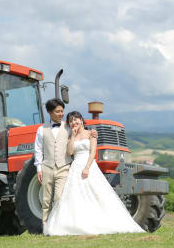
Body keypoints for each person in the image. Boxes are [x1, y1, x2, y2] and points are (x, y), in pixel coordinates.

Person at [43, 111, 145, 236]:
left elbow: (92, 153)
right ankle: (75, 224)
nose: (74, 122)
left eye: (76, 119)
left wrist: (87, 168)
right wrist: (73, 137)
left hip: (89, 165)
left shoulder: (91, 133)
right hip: (75, 167)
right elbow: (69, 152)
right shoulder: (71, 137)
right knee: (74, 195)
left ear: (81, 120)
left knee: (96, 193)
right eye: (71, 121)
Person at [34, 98, 97, 234]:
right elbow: (38, 150)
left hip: (63, 167)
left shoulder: (68, 126)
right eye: (58, 111)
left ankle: (56, 226)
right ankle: (46, 229)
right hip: (47, 167)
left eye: (63, 111)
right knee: (45, 200)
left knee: (58, 197)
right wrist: (39, 169)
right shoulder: (41, 130)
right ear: (50, 112)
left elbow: (80, 132)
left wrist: (92, 133)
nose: (62, 114)